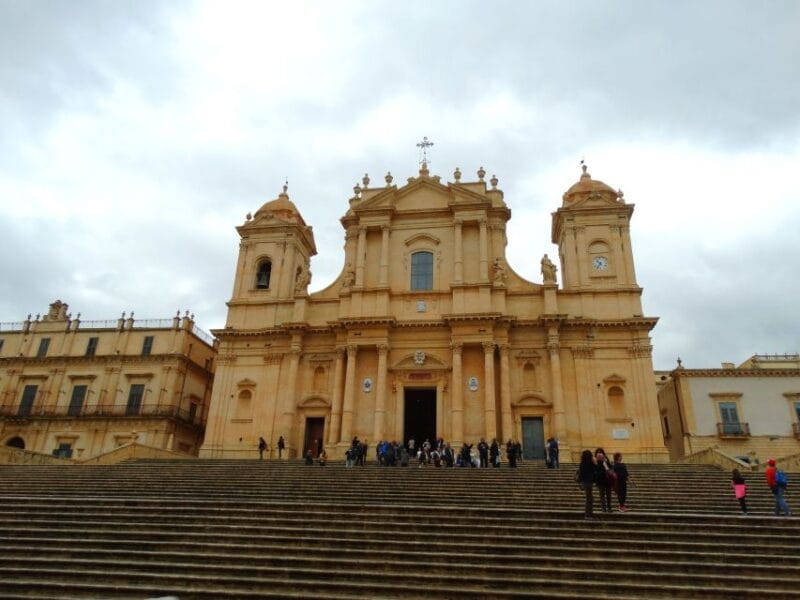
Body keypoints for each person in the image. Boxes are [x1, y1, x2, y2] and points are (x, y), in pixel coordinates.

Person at [577, 449, 596, 519]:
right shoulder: (590, 463)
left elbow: (581, 474)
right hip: (589, 483)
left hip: (585, 482)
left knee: (590, 498)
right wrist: (595, 463)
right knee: (589, 499)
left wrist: (581, 482)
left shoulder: (582, 463)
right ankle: (588, 515)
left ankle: (589, 514)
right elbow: (595, 471)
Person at [594, 448, 614, 513]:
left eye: (601, 452)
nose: (599, 454)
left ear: (603, 454)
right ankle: (603, 508)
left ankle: (609, 508)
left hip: (607, 480)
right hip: (600, 480)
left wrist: (605, 462)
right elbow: (595, 470)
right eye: (598, 452)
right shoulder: (595, 461)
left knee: (608, 495)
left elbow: (610, 468)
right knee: (602, 495)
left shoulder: (606, 460)